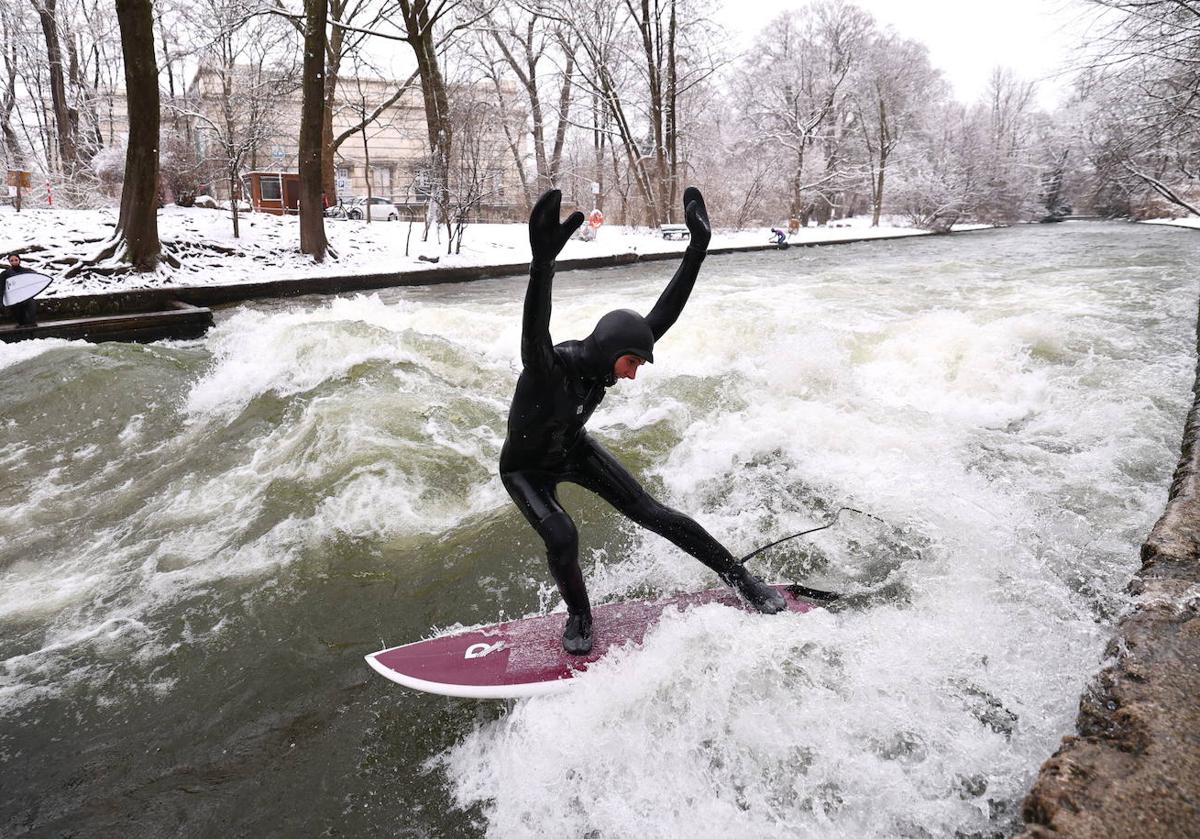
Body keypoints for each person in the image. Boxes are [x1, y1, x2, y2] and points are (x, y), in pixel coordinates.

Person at [500, 188, 785, 655]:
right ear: (613, 352)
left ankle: (743, 579)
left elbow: (665, 312)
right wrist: (542, 264)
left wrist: (697, 248)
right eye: (632, 363)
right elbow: (535, 328)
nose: (632, 375)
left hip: (573, 448)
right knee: (562, 534)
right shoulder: (548, 367)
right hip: (525, 468)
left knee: (657, 514)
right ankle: (579, 615)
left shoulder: (606, 360)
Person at [0, 253, 38, 327]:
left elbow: (34, 282)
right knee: (21, 320)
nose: (14, 262)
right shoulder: (5, 274)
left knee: (32, 317)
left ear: (19, 260)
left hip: (27, 297)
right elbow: (1, 288)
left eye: (16, 260)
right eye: (12, 260)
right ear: (9, 262)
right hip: (14, 299)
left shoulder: (27, 271)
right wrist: (1, 302)